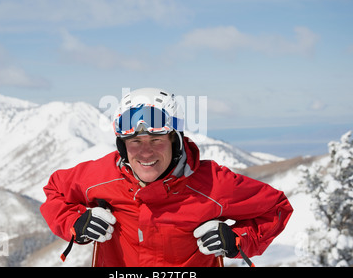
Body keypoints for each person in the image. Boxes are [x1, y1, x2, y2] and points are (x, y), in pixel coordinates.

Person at [40, 88, 293, 267]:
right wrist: (75, 224)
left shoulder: (213, 184)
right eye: (135, 141)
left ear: (176, 141)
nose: (145, 152)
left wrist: (236, 239)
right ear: (122, 146)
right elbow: (55, 191)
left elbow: (277, 208)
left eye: (157, 140)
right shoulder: (103, 177)